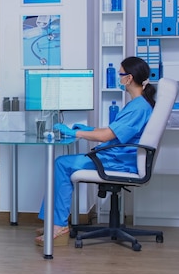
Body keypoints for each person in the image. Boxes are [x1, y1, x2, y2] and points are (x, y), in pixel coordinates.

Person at [40, 56, 156, 246]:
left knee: (61, 164)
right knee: (63, 163)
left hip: (118, 161)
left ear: (130, 78)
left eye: (121, 74)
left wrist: (76, 133)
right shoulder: (138, 104)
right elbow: (113, 131)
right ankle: (52, 222)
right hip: (118, 156)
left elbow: (106, 137)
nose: (119, 78)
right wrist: (88, 129)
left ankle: (58, 224)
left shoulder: (138, 107)